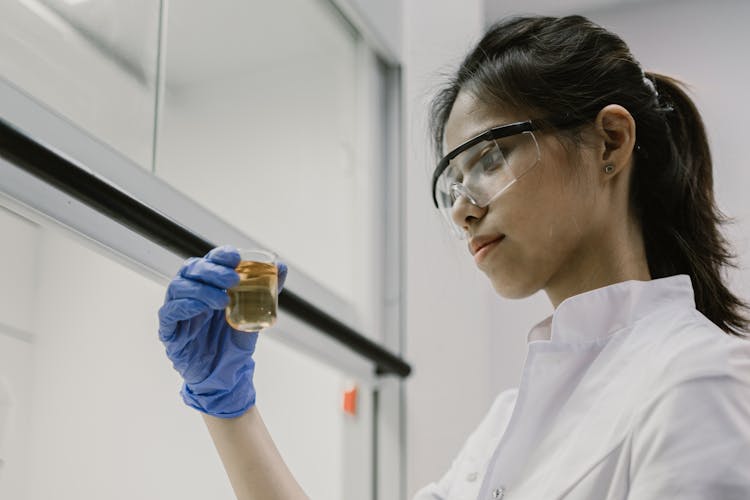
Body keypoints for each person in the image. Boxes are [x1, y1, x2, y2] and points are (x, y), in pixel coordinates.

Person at [157, 14, 750, 500]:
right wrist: (229, 408)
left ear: (610, 143)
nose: (465, 210)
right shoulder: (505, 425)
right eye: (452, 185)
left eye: (490, 159)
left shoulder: (696, 381)